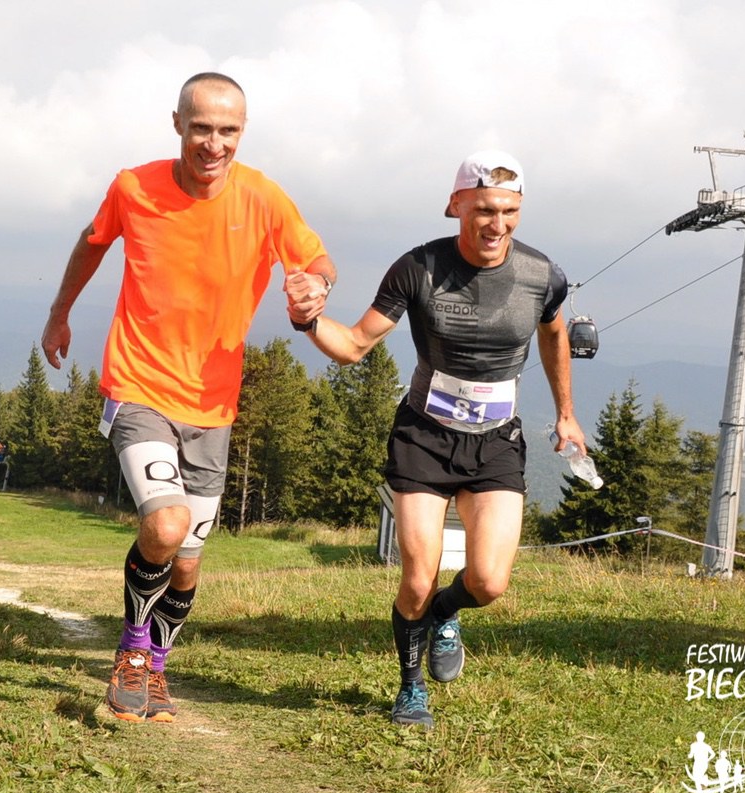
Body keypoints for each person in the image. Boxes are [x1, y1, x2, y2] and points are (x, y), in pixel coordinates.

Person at [41, 72, 336, 724]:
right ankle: (131, 651)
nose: (213, 143)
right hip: (138, 386)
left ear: (243, 131)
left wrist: (315, 288)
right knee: (166, 526)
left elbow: (318, 262)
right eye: (201, 127)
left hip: (213, 407)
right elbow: (92, 242)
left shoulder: (263, 198)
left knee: (188, 563)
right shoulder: (133, 187)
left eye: (227, 130)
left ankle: (157, 667)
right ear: (177, 123)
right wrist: (60, 312)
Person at [291, 150, 586, 727]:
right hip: (423, 438)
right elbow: (355, 345)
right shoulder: (418, 268)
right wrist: (307, 320)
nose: (497, 224)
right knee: (417, 578)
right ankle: (411, 688)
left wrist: (566, 414)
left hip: (495, 442)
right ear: (456, 206)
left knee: (489, 582)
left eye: (509, 211)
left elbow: (554, 337)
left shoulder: (542, 274)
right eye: (484, 210)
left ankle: (446, 612)